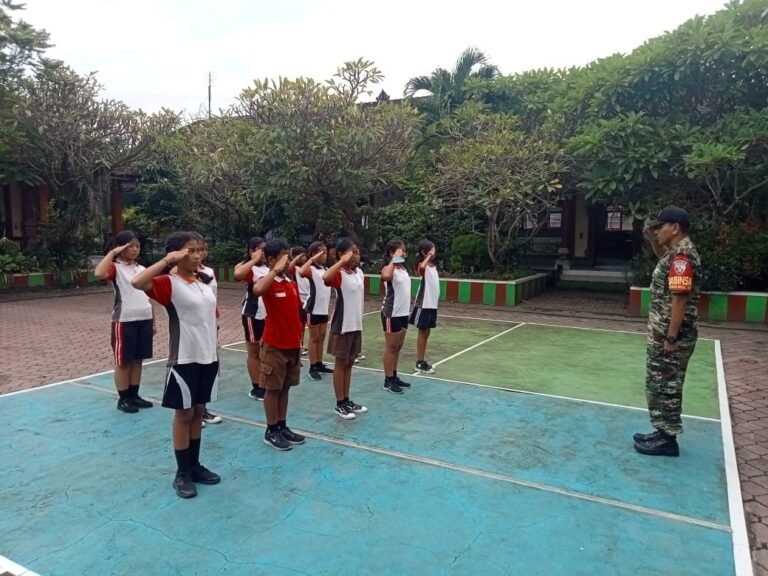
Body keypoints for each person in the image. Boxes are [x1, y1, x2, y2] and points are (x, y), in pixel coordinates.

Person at [132, 232, 221, 499]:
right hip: (184, 358)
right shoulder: (168, 283)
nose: (197, 255)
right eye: (190, 251)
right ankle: (182, 473)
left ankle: (194, 466)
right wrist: (167, 260)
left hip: (208, 357)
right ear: (175, 254)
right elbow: (138, 281)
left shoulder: (202, 282)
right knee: (183, 415)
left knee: (197, 412)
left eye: (199, 251)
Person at [634, 207, 700, 457]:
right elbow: (663, 257)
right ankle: (662, 431)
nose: (657, 230)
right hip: (663, 335)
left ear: (675, 228)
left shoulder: (683, 258)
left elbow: (680, 299)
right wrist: (653, 240)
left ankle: (668, 439)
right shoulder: (675, 254)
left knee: (667, 386)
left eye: (660, 227)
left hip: (670, 338)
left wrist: (671, 337)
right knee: (658, 384)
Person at [252, 239, 307, 450]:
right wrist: (273, 271)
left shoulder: (289, 283)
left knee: (285, 388)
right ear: (272, 259)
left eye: (288, 255)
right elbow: (257, 290)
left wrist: (299, 342)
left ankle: (282, 426)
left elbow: (296, 315)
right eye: (284, 256)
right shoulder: (269, 281)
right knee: (272, 389)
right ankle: (271, 429)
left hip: (292, 345)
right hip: (274, 345)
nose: (288, 260)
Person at [94, 230, 155, 413]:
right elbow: (98, 274)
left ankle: (134, 395)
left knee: (138, 360)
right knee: (123, 362)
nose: (135, 249)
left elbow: (148, 296)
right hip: (124, 320)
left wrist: (153, 321)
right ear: (121, 248)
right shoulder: (115, 267)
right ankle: (124, 398)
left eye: (137, 246)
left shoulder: (142, 269)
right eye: (130, 246)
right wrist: (112, 253)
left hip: (144, 318)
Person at [324, 238, 368, 419]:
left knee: (349, 363)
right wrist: (341, 261)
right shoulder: (339, 273)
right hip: (342, 325)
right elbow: (326, 278)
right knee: (340, 364)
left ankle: (347, 399)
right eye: (352, 252)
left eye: (357, 252)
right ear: (342, 254)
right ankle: (339, 403)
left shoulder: (358, 273)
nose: (356, 255)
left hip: (356, 325)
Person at [233, 237, 268, 401]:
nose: (264, 252)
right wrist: (253, 260)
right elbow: (238, 274)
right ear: (252, 251)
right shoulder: (248, 268)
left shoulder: (269, 268)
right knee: (254, 352)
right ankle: (257, 387)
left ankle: (265, 382)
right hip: (253, 314)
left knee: (265, 351)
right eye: (260, 249)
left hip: (268, 315)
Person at [196, 234, 222, 426]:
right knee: (195, 366)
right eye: (195, 250)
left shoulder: (209, 272)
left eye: (203, 250)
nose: (200, 254)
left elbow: (212, 297)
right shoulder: (177, 274)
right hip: (192, 328)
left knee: (209, 365)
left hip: (210, 323)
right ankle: (194, 411)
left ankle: (202, 409)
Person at [380, 238, 411, 394]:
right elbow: (385, 276)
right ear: (392, 253)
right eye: (400, 251)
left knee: (398, 347)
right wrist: (394, 259)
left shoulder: (403, 269)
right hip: (391, 313)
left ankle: (394, 375)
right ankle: (388, 380)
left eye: (404, 251)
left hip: (403, 313)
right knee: (391, 347)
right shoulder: (388, 268)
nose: (403, 253)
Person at [300, 241, 334, 381]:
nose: (324, 255)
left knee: (321, 337)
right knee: (314, 339)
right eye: (322, 252)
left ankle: (319, 363)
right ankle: (312, 366)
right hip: (312, 309)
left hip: (323, 309)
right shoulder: (311, 269)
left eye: (325, 252)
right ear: (314, 254)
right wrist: (312, 259)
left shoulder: (325, 269)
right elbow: (302, 271)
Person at [410, 239, 439, 374]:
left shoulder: (432, 266)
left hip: (432, 305)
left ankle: (421, 360)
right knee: (423, 331)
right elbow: (421, 268)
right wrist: (428, 256)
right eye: (431, 250)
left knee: (427, 332)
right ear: (424, 252)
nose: (434, 252)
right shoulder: (423, 266)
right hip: (424, 304)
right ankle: (419, 362)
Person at [291, 246, 310, 357]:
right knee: (299, 325)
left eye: (304, 255)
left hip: (308, 299)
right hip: (300, 300)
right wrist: (295, 258)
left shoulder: (307, 268)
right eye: (301, 256)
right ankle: (298, 345)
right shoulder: (294, 269)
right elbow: (289, 267)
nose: (304, 258)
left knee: (304, 324)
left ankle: (300, 344)